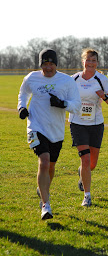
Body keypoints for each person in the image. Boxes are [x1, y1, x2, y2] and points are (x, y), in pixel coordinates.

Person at [17, 49, 81, 220]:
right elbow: (23, 93)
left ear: (56, 64)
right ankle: (46, 206)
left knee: (51, 166)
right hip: (36, 126)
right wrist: (21, 107)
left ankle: (43, 189)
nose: (48, 67)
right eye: (45, 64)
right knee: (44, 161)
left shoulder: (66, 81)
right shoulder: (31, 78)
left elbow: (77, 105)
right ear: (41, 65)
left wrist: (62, 103)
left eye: (51, 63)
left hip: (56, 130)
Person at [69, 48, 108, 207]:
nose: (90, 63)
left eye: (93, 60)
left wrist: (104, 96)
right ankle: (87, 196)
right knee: (86, 159)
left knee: (92, 164)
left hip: (96, 124)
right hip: (77, 123)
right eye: (88, 60)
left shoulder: (102, 79)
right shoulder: (73, 79)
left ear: (97, 63)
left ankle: (82, 173)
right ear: (83, 61)